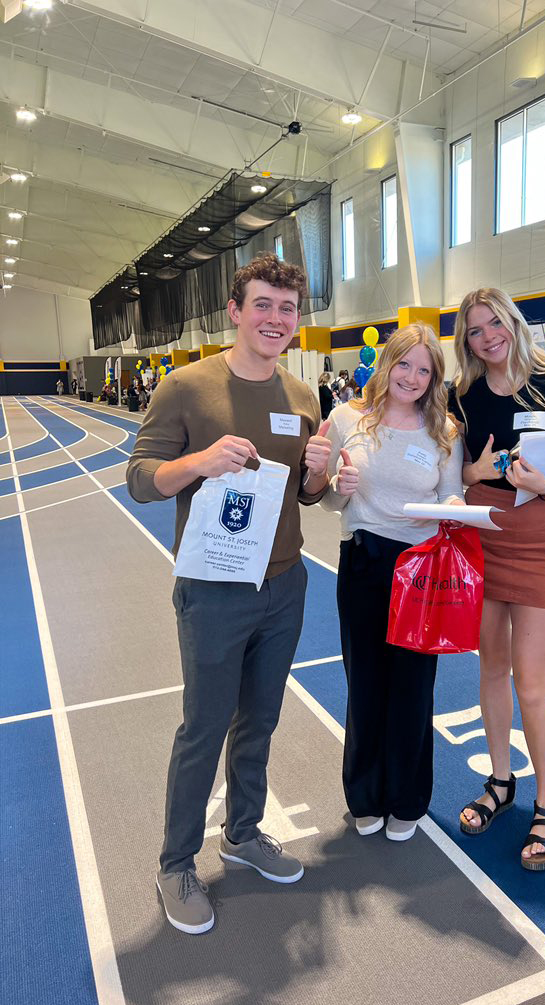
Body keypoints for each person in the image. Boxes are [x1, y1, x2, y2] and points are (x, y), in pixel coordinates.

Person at [126, 253, 332, 934]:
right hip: (213, 590)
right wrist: (198, 463)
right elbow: (139, 477)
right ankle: (175, 863)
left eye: (288, 309)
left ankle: (243, 834)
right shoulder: (187, 386)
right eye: (264, 306)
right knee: (204, 728)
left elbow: (307, 491)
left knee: (261, 719)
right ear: (236, 313)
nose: (276, 320)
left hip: (284, 583)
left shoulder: (303, 396)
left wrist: (321, 475)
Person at [448, 287, 545, 871]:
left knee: (532, 683)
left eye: (495, 324)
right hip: (483, 534)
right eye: (475, 331)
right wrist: (473, 469)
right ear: (466, 340)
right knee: (490, 669)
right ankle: (502, 782)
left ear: (512, 322)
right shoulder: (461, 395)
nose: (488, 337)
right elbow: (456, 468)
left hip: (539, 540)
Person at [322, 324, 464, 842]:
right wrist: (339, 488)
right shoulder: (346, 418)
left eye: (424, 369)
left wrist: (454, 507)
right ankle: (365, 793)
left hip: (421, 568)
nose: (412, 377)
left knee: (413, 684)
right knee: (364, 681)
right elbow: (329, 499)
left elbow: (451, 498)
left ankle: (407, 797)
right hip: (363, 559)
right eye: (405, 364)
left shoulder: (445, 431)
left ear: (434, 378)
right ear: (386, 363)